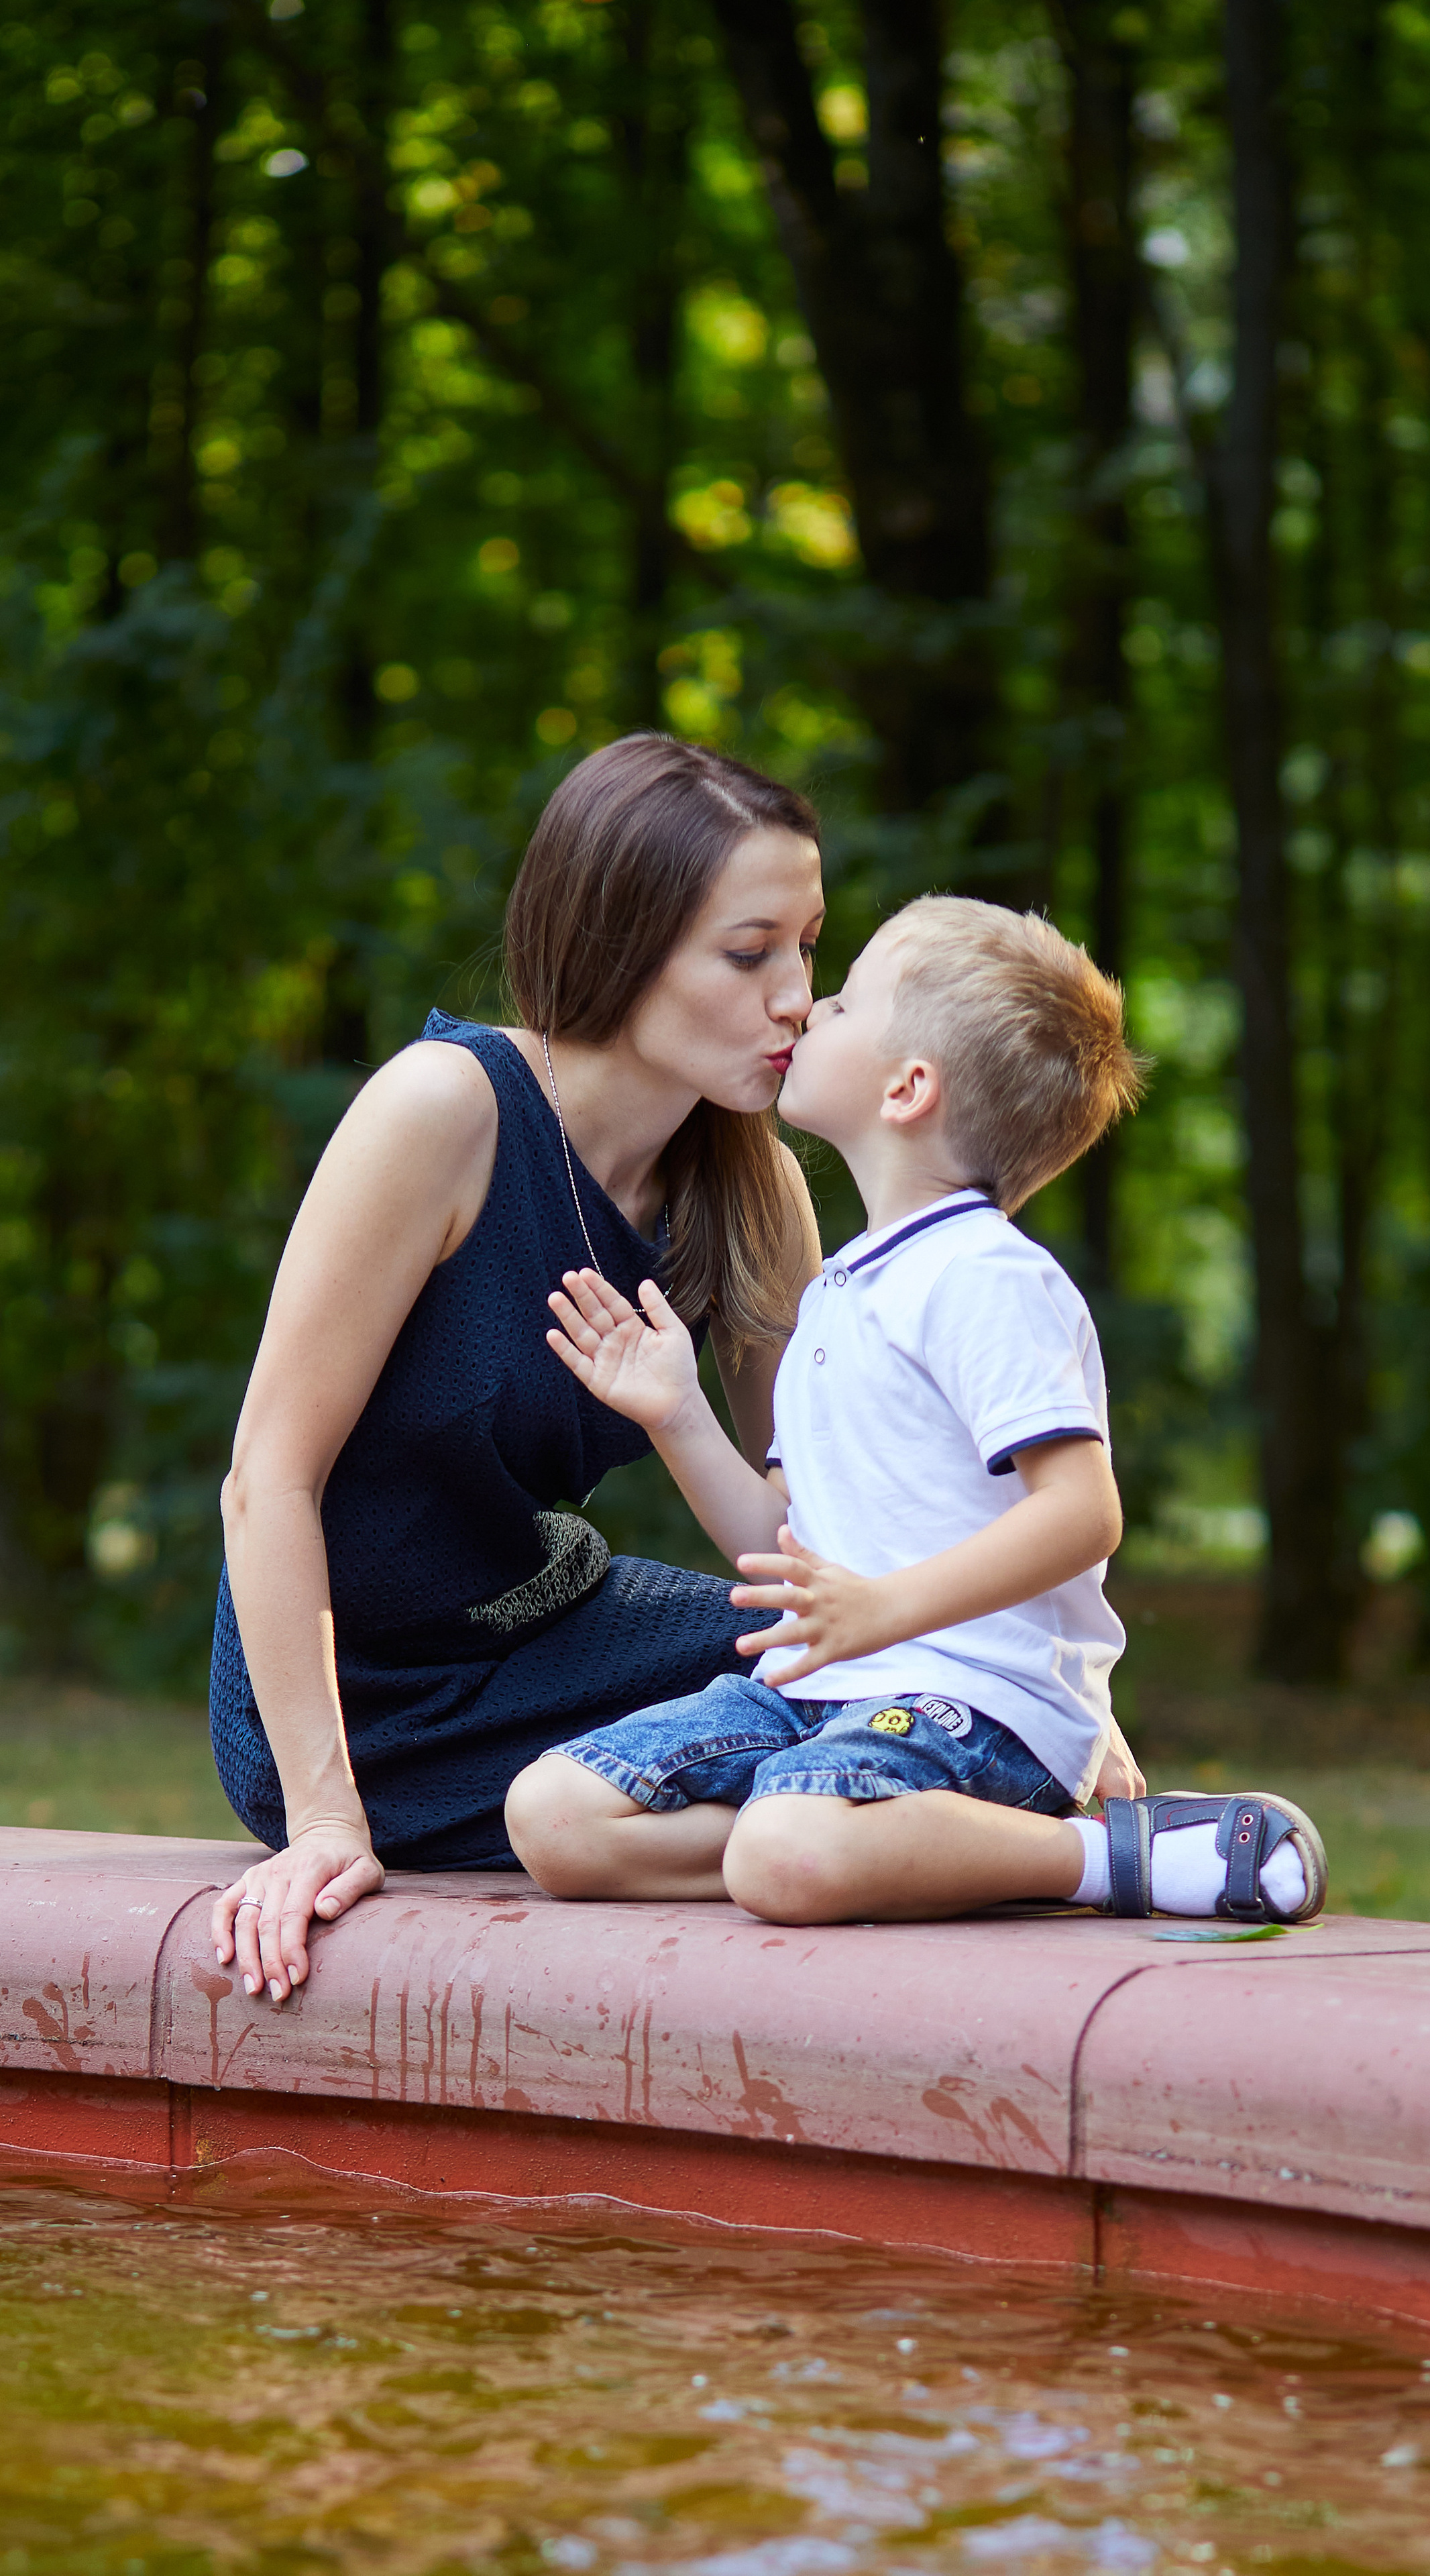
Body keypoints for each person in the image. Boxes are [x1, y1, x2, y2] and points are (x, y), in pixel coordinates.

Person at [506, 898, 1328, 1927]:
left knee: (784, 1848)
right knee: (554, 1817)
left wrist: (884, 1610)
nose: (810, 1008)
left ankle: (1112, 1855)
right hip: (819, 1695)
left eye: (846, 1003)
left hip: (971, 1702)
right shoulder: (839, 1293)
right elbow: (781, 1542)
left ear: (908, 1088)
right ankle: (868, 1850)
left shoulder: (984, 1276)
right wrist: (677, 1413)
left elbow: (1083, 1514)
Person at [209, 735, 826, 2002]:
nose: (797, 1001)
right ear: (620, 944)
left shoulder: (755, 1188)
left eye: (810, 948)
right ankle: (868, 1834)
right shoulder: (442, 1110)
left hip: (556, 1628)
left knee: (868, 1688)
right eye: (750, 953)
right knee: (860, 1738)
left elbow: (821, 1532)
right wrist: (324, 1820)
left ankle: (969, 1829)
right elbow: (267, 1477)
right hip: (355, 1710)